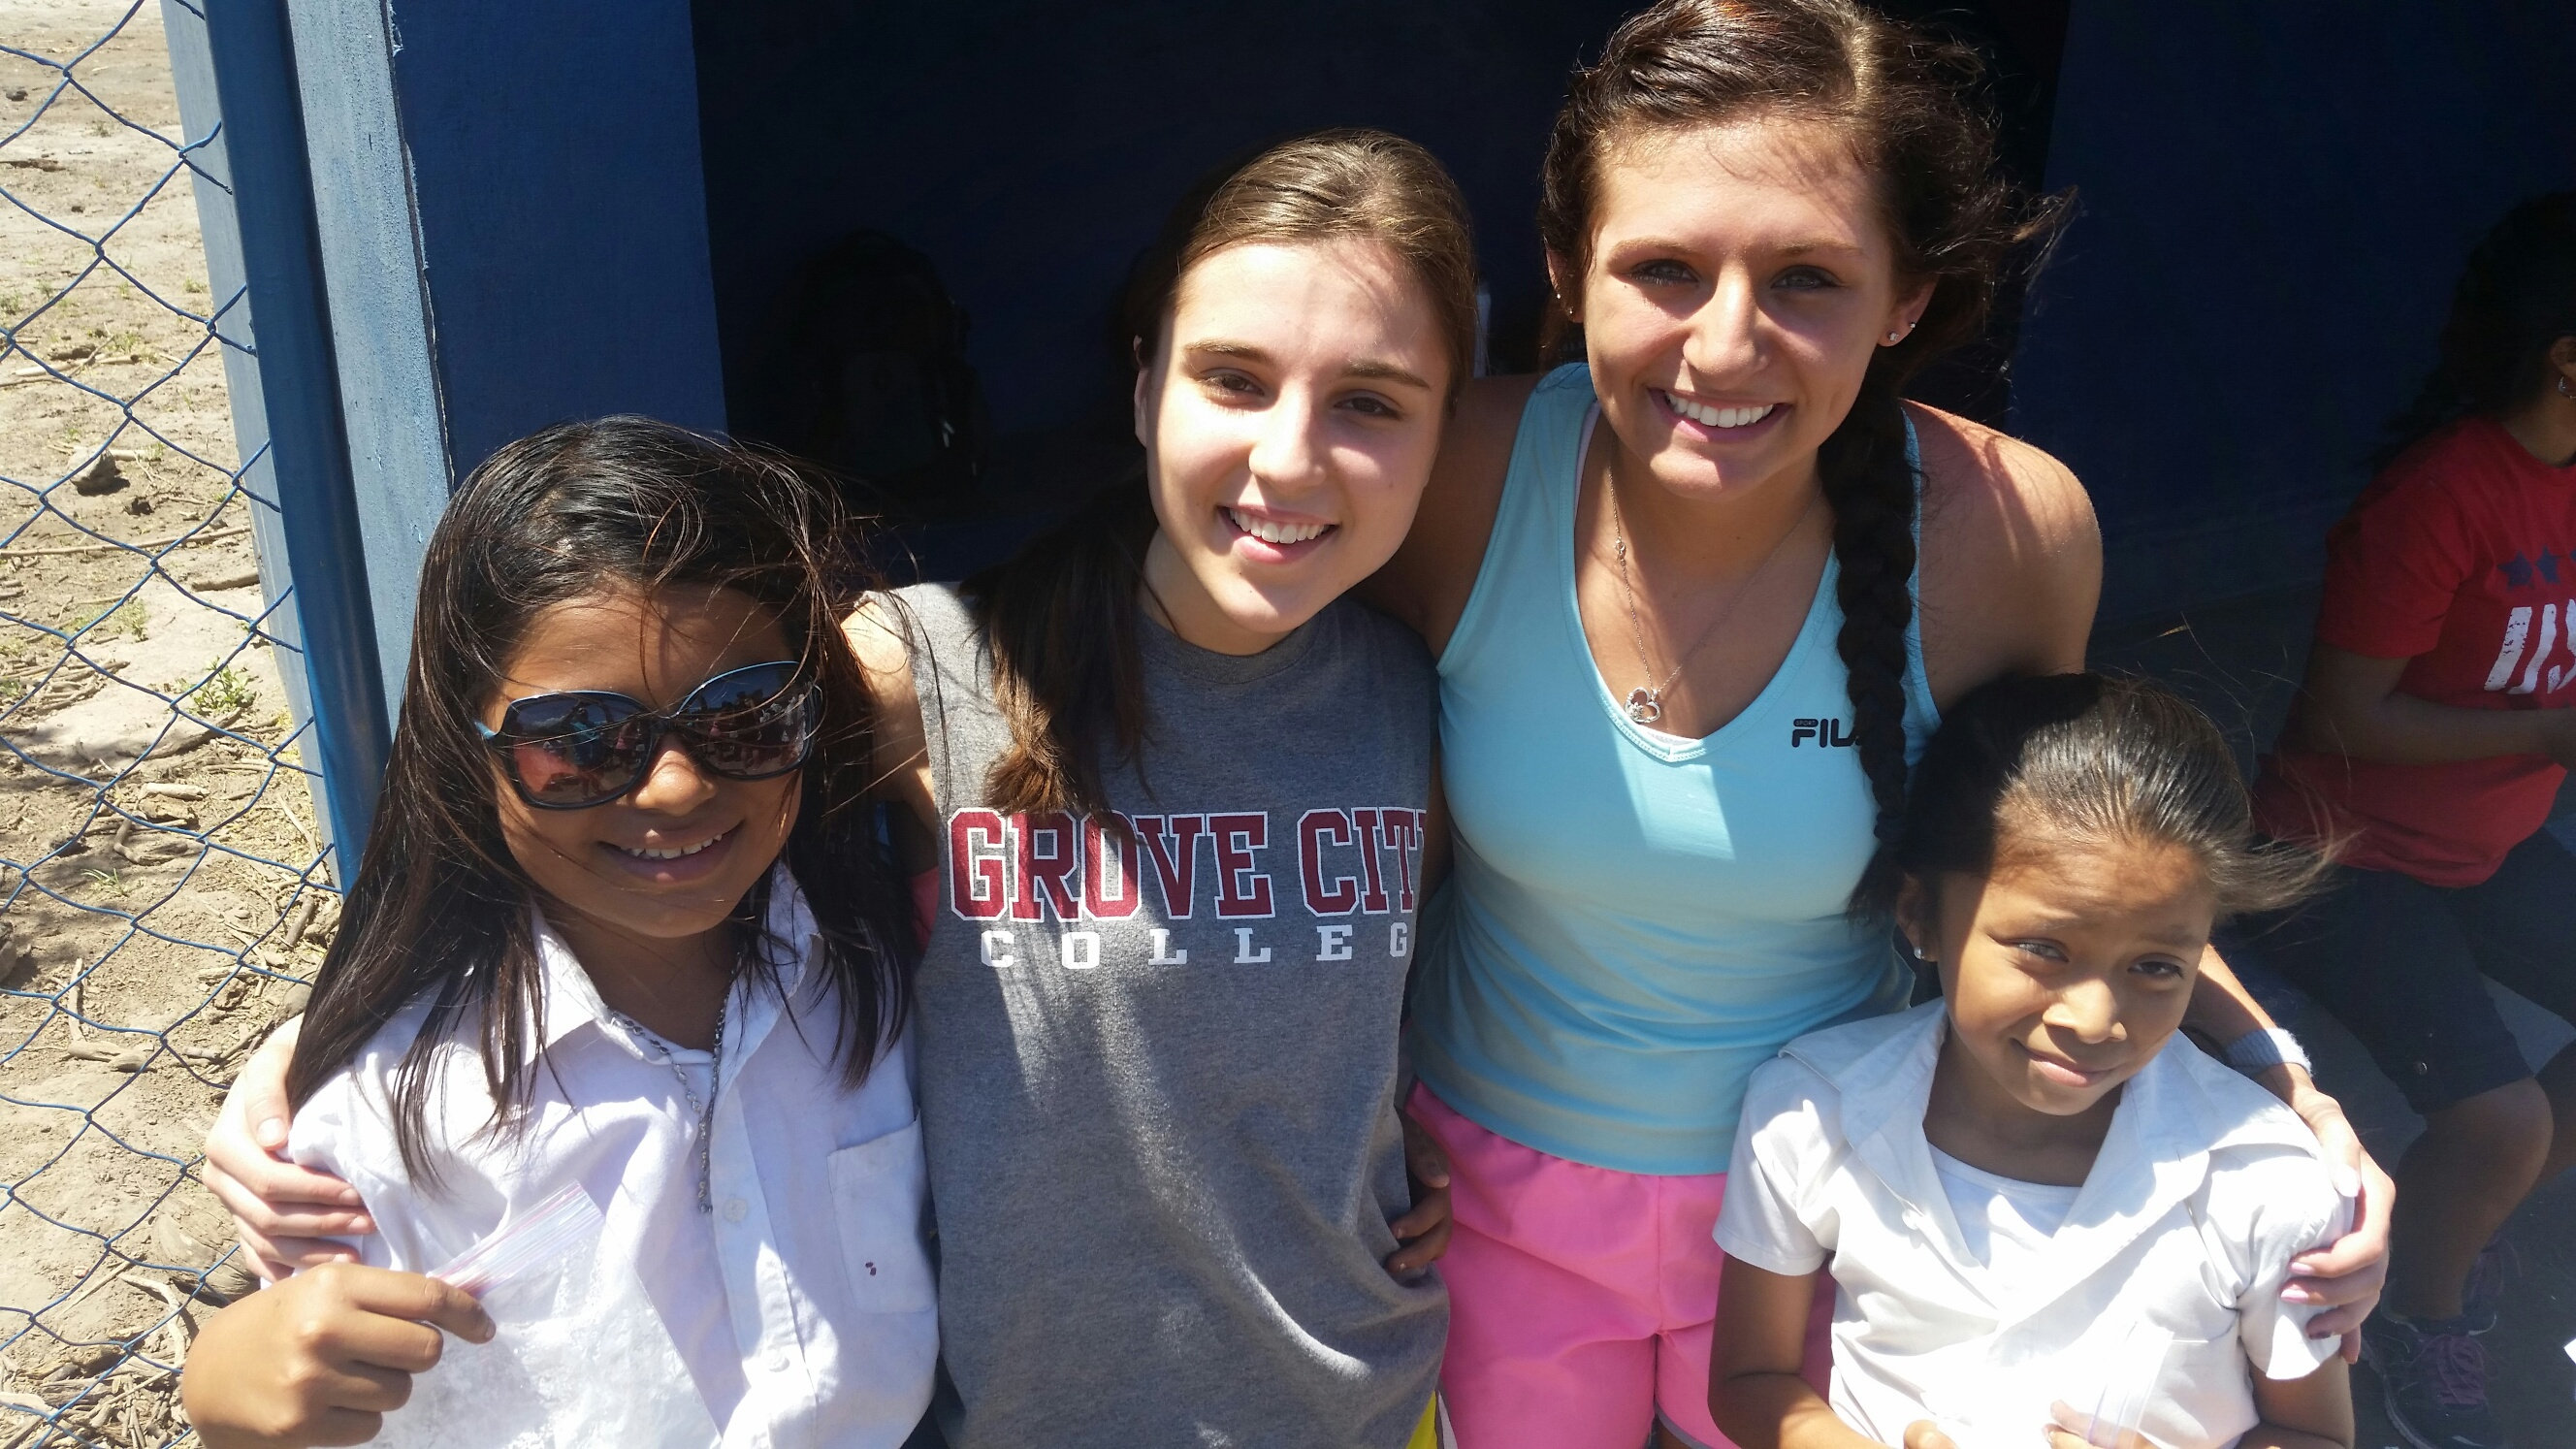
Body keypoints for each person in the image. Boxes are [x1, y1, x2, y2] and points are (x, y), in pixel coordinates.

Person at [194, 130, 1474, 1448]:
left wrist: (1390, 1125)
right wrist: (323, 1053)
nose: (1289, 457)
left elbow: (1369, 1011)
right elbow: (620, 789)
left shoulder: (1426, 695)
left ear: (1451, 424)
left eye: (1372, 402)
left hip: (1360, 1404)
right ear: (1147, 387)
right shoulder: (936, 665)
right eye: (1234, 379)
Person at [1363, 3, 2393, 1445]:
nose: (1727, 346)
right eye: (1663, 269)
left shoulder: (2005, 534)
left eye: (1806, 278)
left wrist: (2282, 1082)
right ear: (1565, 268)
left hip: (1861, 1215)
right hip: (1478, 1202)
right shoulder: (1457, 475)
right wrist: (1341, 1110)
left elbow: (2070, 873)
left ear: (1907, 294)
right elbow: (1334, 819)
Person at [175, 419, 930, 1447]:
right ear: (466, 750)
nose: (676, 786)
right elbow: (306, 1383)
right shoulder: (382, 1118)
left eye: (746, 713)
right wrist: (222, 1387)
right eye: (579, 741)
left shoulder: (888, 982)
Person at [1709, 673, 2353, 1449]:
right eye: (2044, 949)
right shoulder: (1809, 1109)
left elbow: (2319, 1435)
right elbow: (1751, 1381)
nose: (2094, 1019)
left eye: (2155, 967)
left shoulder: (2267, 1180)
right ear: (1921, 914)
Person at [2244, 191, 2576, 1449]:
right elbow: (2345, 717)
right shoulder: (2441, 496)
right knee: (2502, 1119)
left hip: (2486, 841)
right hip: (2338, 855)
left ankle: (2447, 1226)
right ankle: (2420, 1316)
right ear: (2567, 362)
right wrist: (2547, 735)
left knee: (2494, 1149)